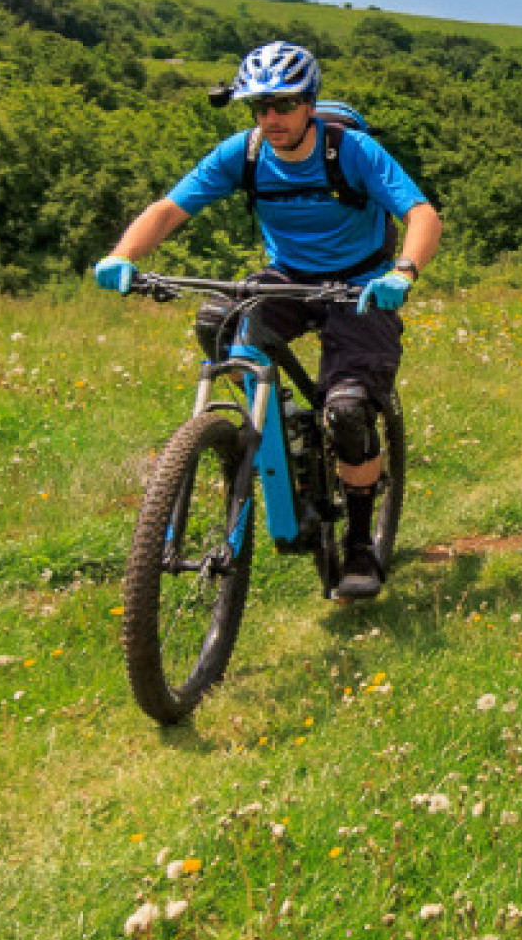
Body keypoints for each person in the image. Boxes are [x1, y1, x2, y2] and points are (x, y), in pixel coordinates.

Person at [92, 41, 441, 602]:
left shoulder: (351, 152)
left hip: (360, 285)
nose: (270, 118)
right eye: (259, 106)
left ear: (309, 103)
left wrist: (403, 271)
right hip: (288, 277)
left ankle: (357, 543)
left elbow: (421, 213)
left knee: (349, 410)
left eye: (282, 104)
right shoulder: (245, 153)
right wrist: (123, 255)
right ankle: (266, 424)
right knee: (218, 321)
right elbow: (170, 209)